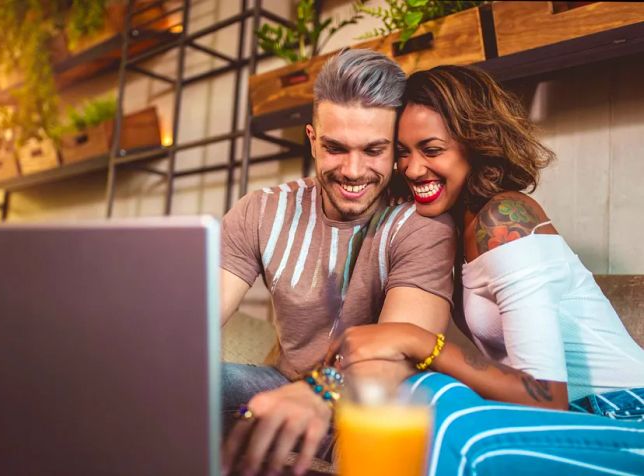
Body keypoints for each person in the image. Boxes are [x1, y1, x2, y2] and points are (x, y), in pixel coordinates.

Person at [329, 65, 644, 475]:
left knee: (459, 430)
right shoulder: (450, 228)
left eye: (432, 150)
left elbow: (546, 399)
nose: (412, 169)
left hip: (622, 412)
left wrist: (418, 341)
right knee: (416, 395)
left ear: (474, 146)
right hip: (575, 417)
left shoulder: (505, 218)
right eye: (403, 152)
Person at [219, 49, 457, 476]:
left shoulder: (421, 227)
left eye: (373, 150)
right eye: (334, 148)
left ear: (395, 148)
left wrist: (320, 393)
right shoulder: (262, 211)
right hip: (282, 385)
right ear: (311, 138)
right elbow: (195, 320)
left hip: (374, 399)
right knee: (190, 381)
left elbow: (392, 352)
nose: (352, 170)